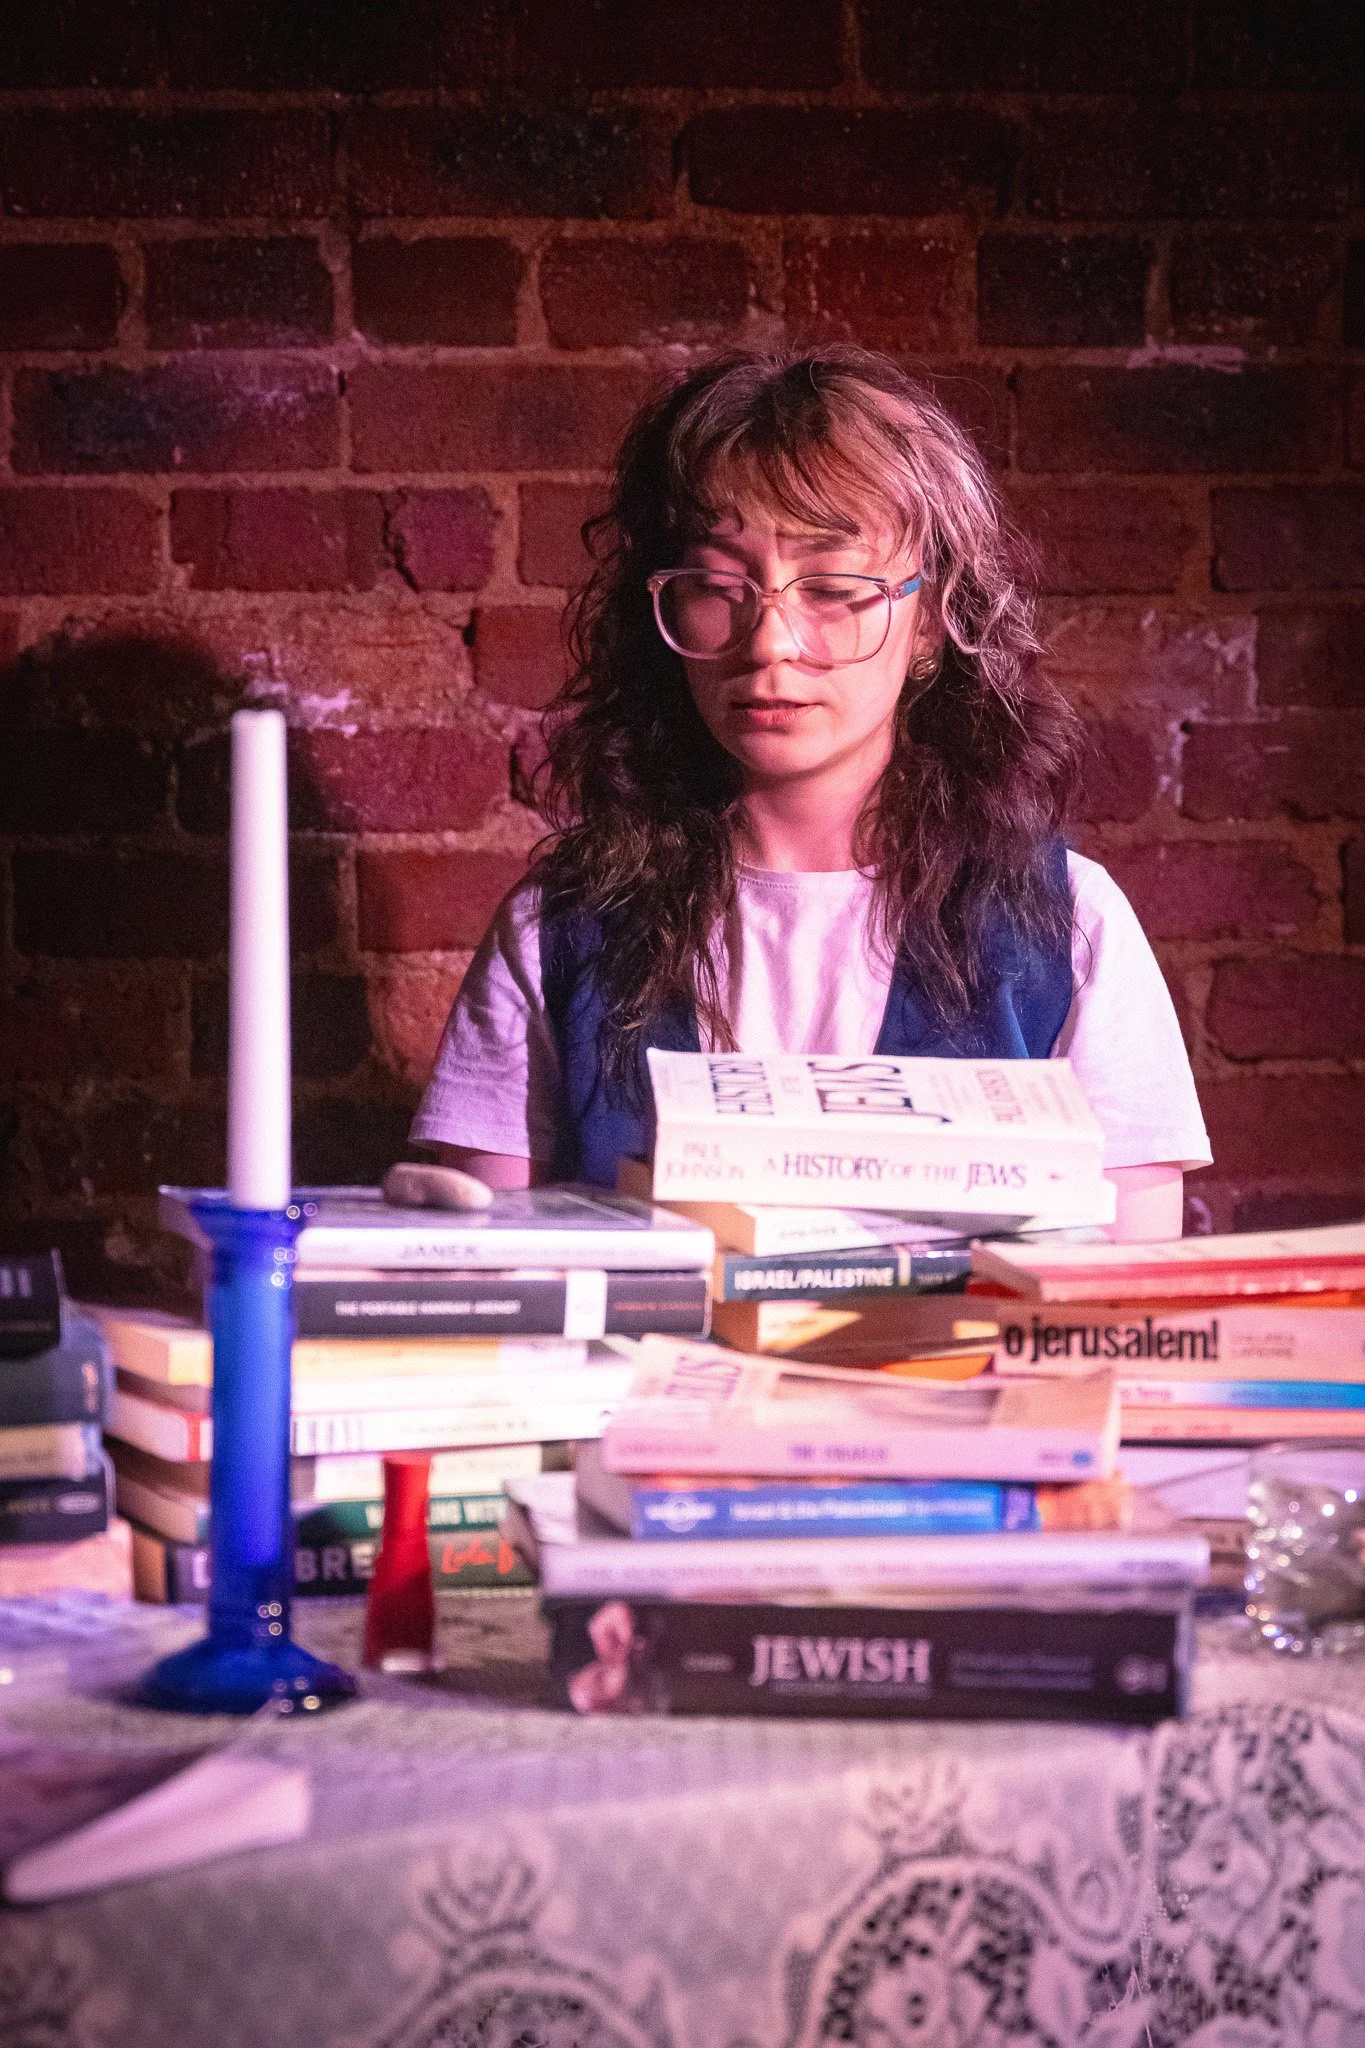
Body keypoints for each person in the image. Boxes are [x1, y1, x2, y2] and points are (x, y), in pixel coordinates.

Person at [410, 347, 1210, 1242]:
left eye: (833, 588)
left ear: (933, 622)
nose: (771, 641)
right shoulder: (563, 925)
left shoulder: (1065, 922)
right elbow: (490, 1268)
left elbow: (1130, 1292)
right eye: (717, 587)